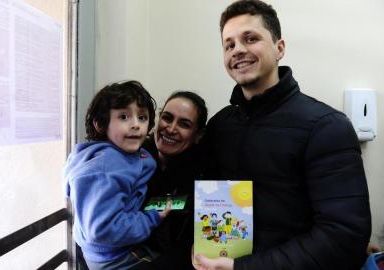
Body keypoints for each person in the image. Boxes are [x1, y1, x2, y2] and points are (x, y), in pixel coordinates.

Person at [195, 0, 372, 269]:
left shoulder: (327, 126)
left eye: (250, 38)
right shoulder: (220, 125)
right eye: (229, 44)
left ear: (280, 48)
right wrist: (200, 244)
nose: (238, 50)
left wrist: (241, 268)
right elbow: (208, 204)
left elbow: (343, 237)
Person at [63, 80, 170, 270]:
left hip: (108, 251)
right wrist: (151, 218)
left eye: (142, 117)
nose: (136, 125)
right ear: (100, 124)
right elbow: (103, 229)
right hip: (115, 258)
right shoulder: (106, 167)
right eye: (124, 117)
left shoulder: (121, 154)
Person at [133, 91, 208, 270]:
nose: (171, 128)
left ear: (198, 135)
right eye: (167, 118)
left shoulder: (204, 179)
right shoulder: (131, 158)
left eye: (184, 124)